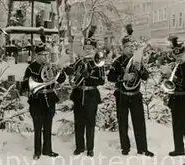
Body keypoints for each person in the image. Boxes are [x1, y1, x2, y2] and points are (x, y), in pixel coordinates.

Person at [107, 25, 154, 157]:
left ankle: (142, 148)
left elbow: (146, 77)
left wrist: (140, 69)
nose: (131, 49)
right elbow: (110, 77)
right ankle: (125, 147)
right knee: (122, 122)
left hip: (135, 95)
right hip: (122, 95)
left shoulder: (138, 60)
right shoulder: (118, 61)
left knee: (139, 122)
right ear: (123, 48)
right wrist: (123, 77)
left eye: (133, 47)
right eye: (128, 47)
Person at [22, 30, 66, 160]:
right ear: (37, 56)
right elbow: (25, 86)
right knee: (38, 126)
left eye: (47, 55)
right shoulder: (31, 68)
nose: (46, 57)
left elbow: (60, 80)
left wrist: (60, 72)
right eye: (42, 55)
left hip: (50, 98)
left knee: (48, 125)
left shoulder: (51, 66)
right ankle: (37, 151)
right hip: (37, 99)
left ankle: (48, 150)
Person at [66, 25, 105, 157]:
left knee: (90, 123)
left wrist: (90, 76)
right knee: (79, 123)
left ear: (95, 50)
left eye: (91, 49)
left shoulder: (98, 64)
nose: (88, 50)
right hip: (78, 95)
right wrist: (69, 70)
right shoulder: (79, 61)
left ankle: (90, 148)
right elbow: (71, 74)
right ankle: (79, 147)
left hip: (91, 96)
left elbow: (102, 80)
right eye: (86, 48)